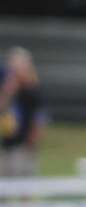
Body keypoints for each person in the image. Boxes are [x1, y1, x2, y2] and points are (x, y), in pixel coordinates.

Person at [0, 46, 46, 182]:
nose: (15, 72)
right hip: (7, 143)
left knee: (24, 185)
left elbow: (40, 120)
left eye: (18, 68)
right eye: (12, 68)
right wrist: (8, 90)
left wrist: (31, 144)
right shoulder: (8, 89)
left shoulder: (34, 91)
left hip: (24, 145)